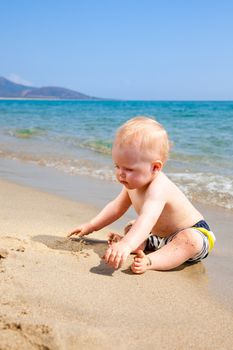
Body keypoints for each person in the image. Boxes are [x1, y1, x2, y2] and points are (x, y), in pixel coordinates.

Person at [68, 116, 216, 274]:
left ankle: (151, 261)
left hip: (194, 235)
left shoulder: (159, 187)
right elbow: (115, 208)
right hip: (159, 238)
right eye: (117, 166)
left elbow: (148, 218)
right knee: (132, 226)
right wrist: (91, 225)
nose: (120, 174)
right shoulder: (132, 185)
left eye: (129, 169)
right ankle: (142, 244)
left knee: (189, 239)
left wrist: (126, 244)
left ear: (155, 167)